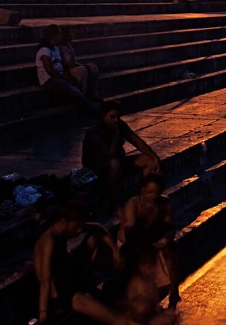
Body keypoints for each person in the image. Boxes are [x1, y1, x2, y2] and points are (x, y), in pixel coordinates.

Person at [34, 200, 117, 324]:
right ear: (63, 221)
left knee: (92, 238)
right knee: (114, 318)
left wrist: (115, 251)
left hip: (72, 284)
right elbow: (45, 282)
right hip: (63, 295)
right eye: (76, 226)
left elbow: (96, 227)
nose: (79, 231)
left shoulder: (61, 233)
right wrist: (43, 313)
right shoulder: (49, 241)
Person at [82, 101, 161, 215]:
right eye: (112, 117)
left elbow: (137, 141)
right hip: (97, 167)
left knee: (147, 160)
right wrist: (115, 134)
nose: (116, 120)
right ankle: (115, 206)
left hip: (119, 161)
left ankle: (144, 199)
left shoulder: (120, 125)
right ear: (104, 116)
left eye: (118, 117)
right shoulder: (94, 132)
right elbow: (110, 155)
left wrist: (154, 157)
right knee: (114, 164)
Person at [119, 173, 180, 312]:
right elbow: (130, 233)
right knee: (138, 255)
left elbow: (170, 228)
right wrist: (150, 242)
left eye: (155, 193)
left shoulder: (164, 203)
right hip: (133, 241)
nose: (151, 196)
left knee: (171, 250)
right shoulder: (133, 204)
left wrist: (164, 240)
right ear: (142, 189)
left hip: (154, 239)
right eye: (149, 192)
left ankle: (174, 292)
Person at [37, 24, 99, 115]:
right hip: (49, 79)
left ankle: (90, 99)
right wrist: (63, 77)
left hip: (59, 75)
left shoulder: (55, 48)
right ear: (55, 35)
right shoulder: (44, 50)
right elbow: (49, 70)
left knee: (77, 84)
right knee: (74, 90)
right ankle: (91, 109)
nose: (61, 35)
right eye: (59, 34)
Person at [59, 26, 100, 104]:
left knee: (93, 66)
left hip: (73, 65)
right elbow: (70, 64)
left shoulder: (68, 45)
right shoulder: (62, 47)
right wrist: (82, 66)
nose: (72, 34)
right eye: (70, 33)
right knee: (83, 70)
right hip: (68, 69)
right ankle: (83, 95)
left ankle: (93, 93)